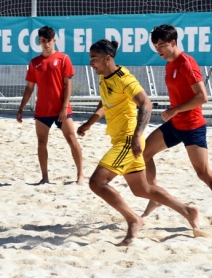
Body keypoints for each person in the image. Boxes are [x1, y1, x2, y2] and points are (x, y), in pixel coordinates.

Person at [77, 39, 199, 246]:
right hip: (121, 139)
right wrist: (89, 122)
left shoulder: (124, 79)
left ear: (108, 59)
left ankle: (134, 219)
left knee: (96, 182)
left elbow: (146, 103)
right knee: (142, 189)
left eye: (94, 59)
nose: (91, 63)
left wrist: (136, 136)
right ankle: (187, 210)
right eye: (90, 59)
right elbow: (105, 102)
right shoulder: (104, 76)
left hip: (127, 140)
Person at [142, 24, 212, 227]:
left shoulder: (187, 63)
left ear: (173, 43)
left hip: (192, 127)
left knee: (203, 173)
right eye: (155, 45)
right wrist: (174, 112)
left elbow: (203, 97)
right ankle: (155, 196)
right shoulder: (169, 63)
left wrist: (175, 110)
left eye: (162, 45)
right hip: (174, 125)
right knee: (143, 152)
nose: (158, 49)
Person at [16, 26, 84, 185]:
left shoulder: (63, 59)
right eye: (43, 41)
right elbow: (29, 87)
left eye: (49, 41)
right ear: (39, 41)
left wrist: (64, 107)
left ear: (54, 41)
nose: (46, 44)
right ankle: (45, 177)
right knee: (41, 143)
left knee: (72, 139)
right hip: (42, 110)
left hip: (62, 108)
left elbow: (68, 85)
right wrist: (21, 108)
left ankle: (80, 176)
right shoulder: (35, 63)